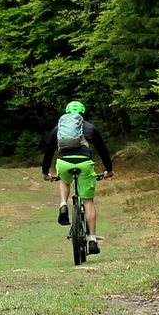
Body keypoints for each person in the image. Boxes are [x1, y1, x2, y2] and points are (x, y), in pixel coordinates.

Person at [41, 100, 114, 254]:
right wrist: (109, 170)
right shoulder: (90, 127)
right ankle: (92, 240)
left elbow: (49, 150)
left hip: (64, 163)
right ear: (82, 112)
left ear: (67, 112)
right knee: (88, 201)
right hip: (84, 164)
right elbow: (102, 150)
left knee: (64, 180)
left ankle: (63, 204)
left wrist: (45, 172)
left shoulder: (59, 128)